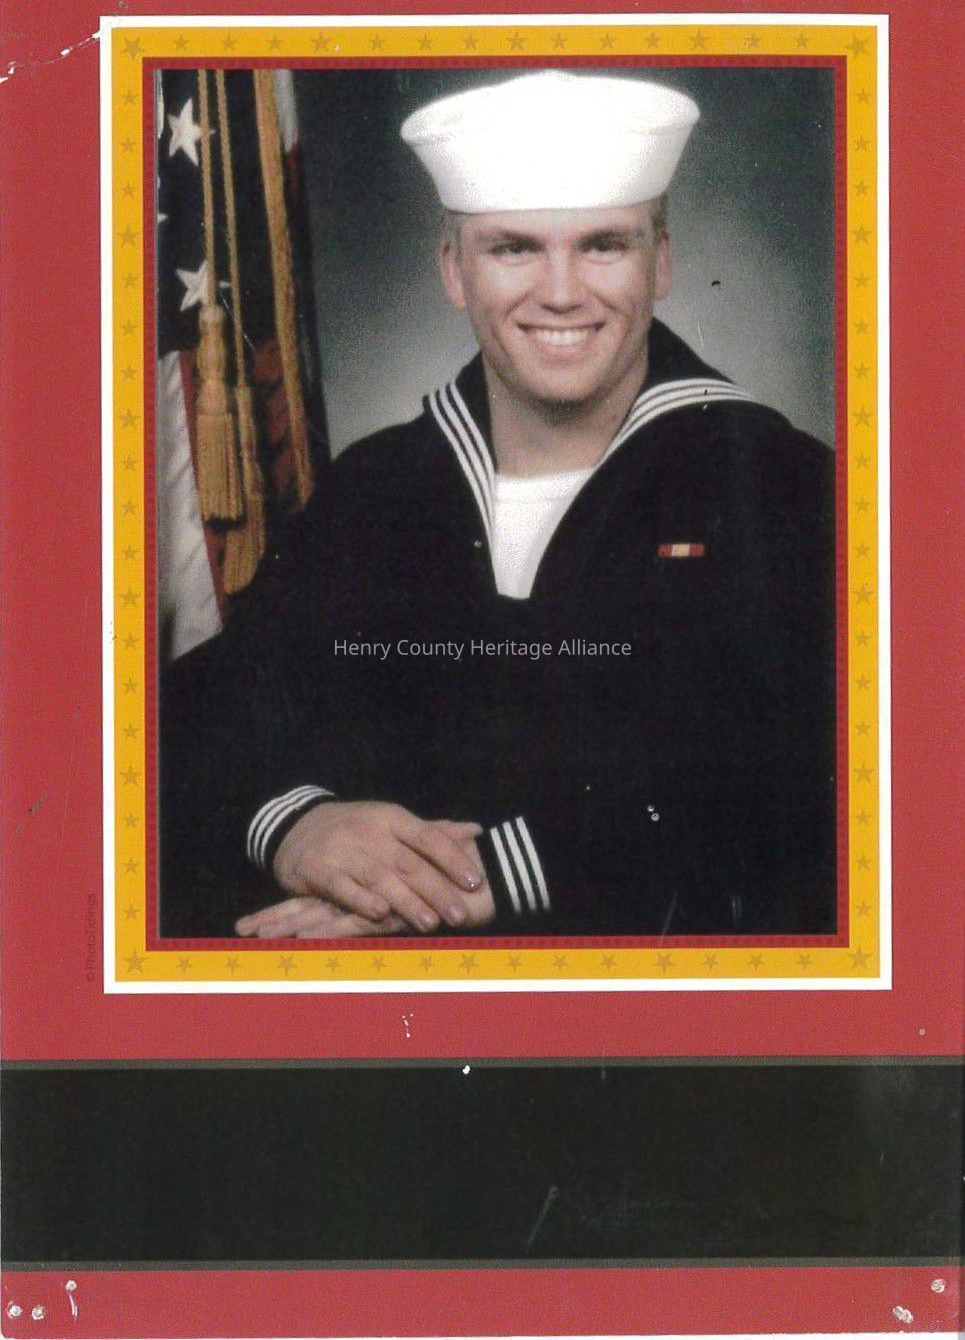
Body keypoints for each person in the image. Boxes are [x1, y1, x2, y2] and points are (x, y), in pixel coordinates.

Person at [165, 71, 836, 941]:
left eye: (603, 245)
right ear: (453, 269)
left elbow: (812, 771)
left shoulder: (782, 487)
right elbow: (212, 705)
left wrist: (490, 878)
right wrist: (296, 825)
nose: (560, 292)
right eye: (513, 249)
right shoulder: (375, 491)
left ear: (662, 260)